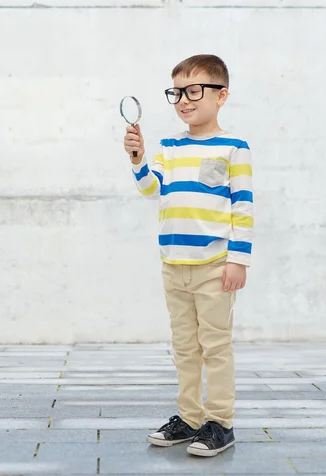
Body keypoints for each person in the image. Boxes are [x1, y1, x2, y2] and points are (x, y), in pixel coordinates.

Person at [122, 54, 253, 457]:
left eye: (194, 90)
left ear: (221, 95)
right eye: (176, 92)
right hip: (173, 265)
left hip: (215, 266)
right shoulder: (169, 146)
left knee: (215, 346)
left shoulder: (234, 148)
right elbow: (150, 188)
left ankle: (220, 422)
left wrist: (238, 259)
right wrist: (138, 158)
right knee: (184, 346)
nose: (184, 99)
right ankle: (190, 417)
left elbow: (243, 206)